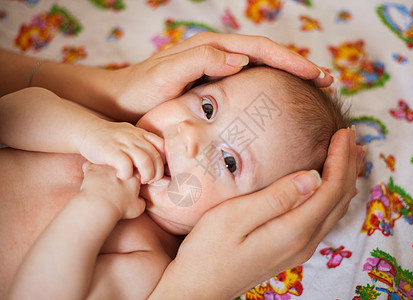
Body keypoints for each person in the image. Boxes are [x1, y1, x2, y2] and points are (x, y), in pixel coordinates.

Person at [0, 33, 363, 299]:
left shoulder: (144, 260)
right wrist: (86, 133)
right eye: (206, 108)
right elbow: (10, 112)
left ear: (246, 214)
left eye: (229, 161)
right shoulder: (106, 133)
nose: (190, 136)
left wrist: (96, 205)